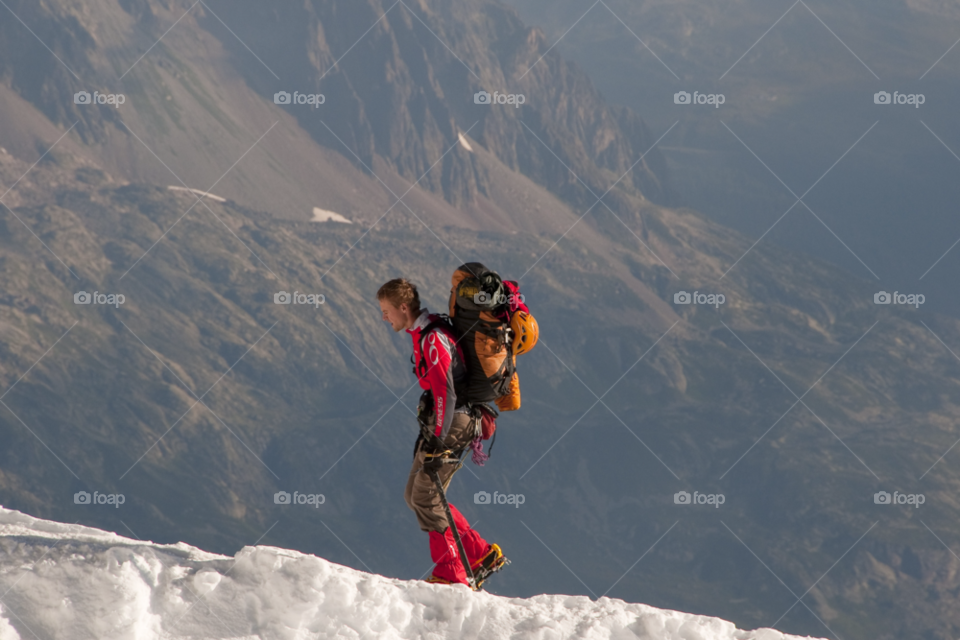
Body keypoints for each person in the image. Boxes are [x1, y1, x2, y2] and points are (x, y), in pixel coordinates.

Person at [377, 277, 505, 587]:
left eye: (386, 310)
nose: (384, 317)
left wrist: (435, 440)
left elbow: (444, 392)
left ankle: (452, 573)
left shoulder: (433, 339)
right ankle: (479, 553)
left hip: (453, 422)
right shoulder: (425, 331)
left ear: (403, 307)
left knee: (426, 495)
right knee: (415, 496)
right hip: (448, 421)